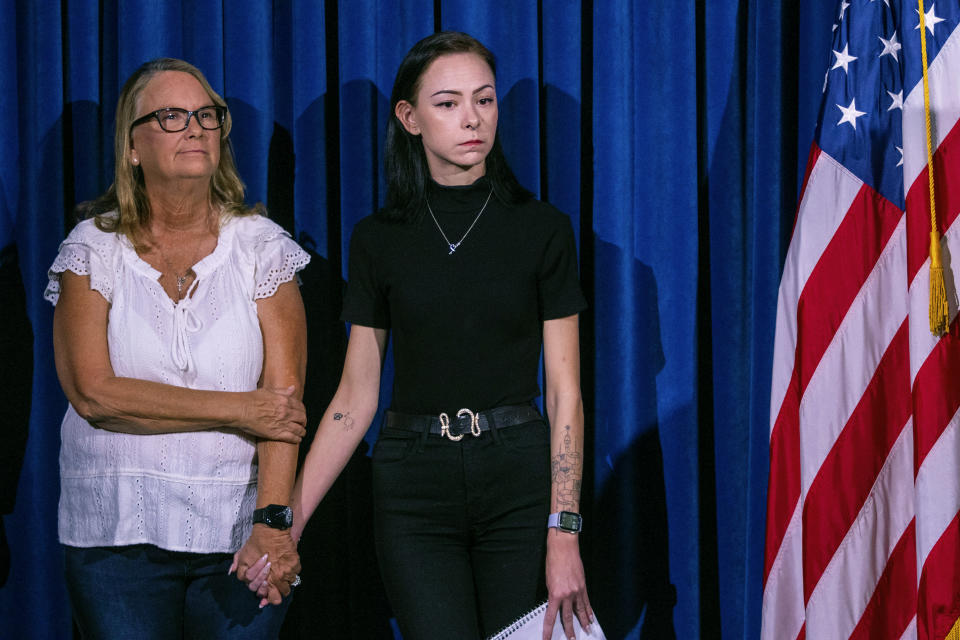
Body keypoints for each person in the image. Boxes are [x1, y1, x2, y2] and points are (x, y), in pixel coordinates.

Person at [244, 31, 594, 640]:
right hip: (413, 484)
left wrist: (564, 531)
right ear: (409, 118)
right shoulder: (378, 238)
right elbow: (355, 398)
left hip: (516, 473)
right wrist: (286, 523)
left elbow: (565, 391)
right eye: (448, 102)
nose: (472, 119)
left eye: (484, 100)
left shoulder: (542, 229)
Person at [46, 57, 309, 639]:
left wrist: (272, 523)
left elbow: (283, 408)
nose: (194, 127)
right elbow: (95, 394)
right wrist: (239, 407)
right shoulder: (92, 250)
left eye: (206, 115)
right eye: (170, 116)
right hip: (116, 541)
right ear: (132, 147)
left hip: (238, 537)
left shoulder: (262, 247)